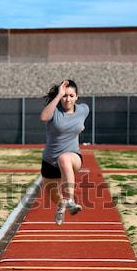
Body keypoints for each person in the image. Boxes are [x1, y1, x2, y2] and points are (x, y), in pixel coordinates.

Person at [40, 79, 89, 225]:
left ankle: (70, 200)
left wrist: (80, 127)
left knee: (64, 159)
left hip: (73, 156)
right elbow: (43, 118)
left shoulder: (84, 109)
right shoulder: (54, 111)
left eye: (71, 96)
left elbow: (80, 122)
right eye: (65, 96)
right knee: (54, 195)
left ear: (77, 97)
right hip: (50, 160)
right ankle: (62, 206)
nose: (68, 99)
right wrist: (57, 95)